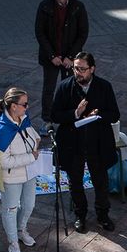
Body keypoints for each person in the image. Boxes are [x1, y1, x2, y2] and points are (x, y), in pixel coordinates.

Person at [49, 50, 120, 233]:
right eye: (75, 68)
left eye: (82, 69)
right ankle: (80, 215)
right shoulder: (65, 87)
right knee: (75, 182)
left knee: (100, 181)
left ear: (92, 69)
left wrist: (98, 115)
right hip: (73, 144)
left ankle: (103, 214)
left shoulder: (104, 87)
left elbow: (114, 114)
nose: (78, 72)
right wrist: (75, 113)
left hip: (97, 143)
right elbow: (54, 115)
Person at [0, 86, 41, 252]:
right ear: (13, 106)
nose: (27, 107)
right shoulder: (2, 130)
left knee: (29, 205)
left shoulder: (23, 119)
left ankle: (21, 230)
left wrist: (36, 139)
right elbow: (4, 161)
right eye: (24, 104)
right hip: (11, 177)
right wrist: (30, 157)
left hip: (29, 172)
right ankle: (13, 244)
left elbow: (31, 133)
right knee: (10, 210)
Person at [34, 0, 89, 127]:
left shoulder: (77, 7)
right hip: (51, 58)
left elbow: (83, 33)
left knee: (72, 88)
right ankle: (47, 121)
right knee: (49, 89)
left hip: (70, 58)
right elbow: (40, 32)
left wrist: (71, 57)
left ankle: (71, 117)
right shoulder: (45, 6)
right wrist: (51, 55)